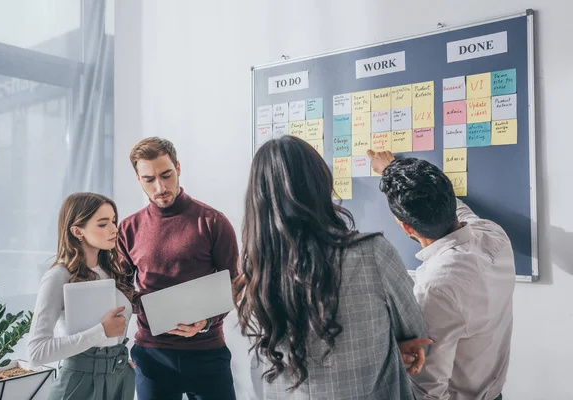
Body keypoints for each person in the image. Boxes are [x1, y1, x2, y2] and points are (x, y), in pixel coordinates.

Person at [234, 136, 430, 400]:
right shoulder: (372, 252)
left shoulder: (256, 274)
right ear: (321, 184)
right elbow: (417, 335)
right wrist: (395, 345)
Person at [368, 150, 515, 400]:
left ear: (406, 227)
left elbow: (428, 389)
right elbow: (459, 210)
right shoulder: (493, 234)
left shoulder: (435, 289)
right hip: (495, 393)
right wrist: (392, 170)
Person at [118, 137, 239, 400]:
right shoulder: (128, 229)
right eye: (149, 179)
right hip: (152, 355)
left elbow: (235, 285)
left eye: (166, 175)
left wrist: (206, 322)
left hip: (207, 352)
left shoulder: (212, 222)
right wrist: (149, 308)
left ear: (178, 168)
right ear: (138, 179)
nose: (160, 187)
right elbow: (120, 287)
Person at [28, 192, 135, 400]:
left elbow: (117, 333)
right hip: (80, 383)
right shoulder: (58, 277)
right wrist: (101, 331)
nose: (114, 229)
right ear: (77, 231)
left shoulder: (111, 271)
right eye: (103, 224)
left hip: (120, 377)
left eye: (113, 221)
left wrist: (117, 358)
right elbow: (36, 353)